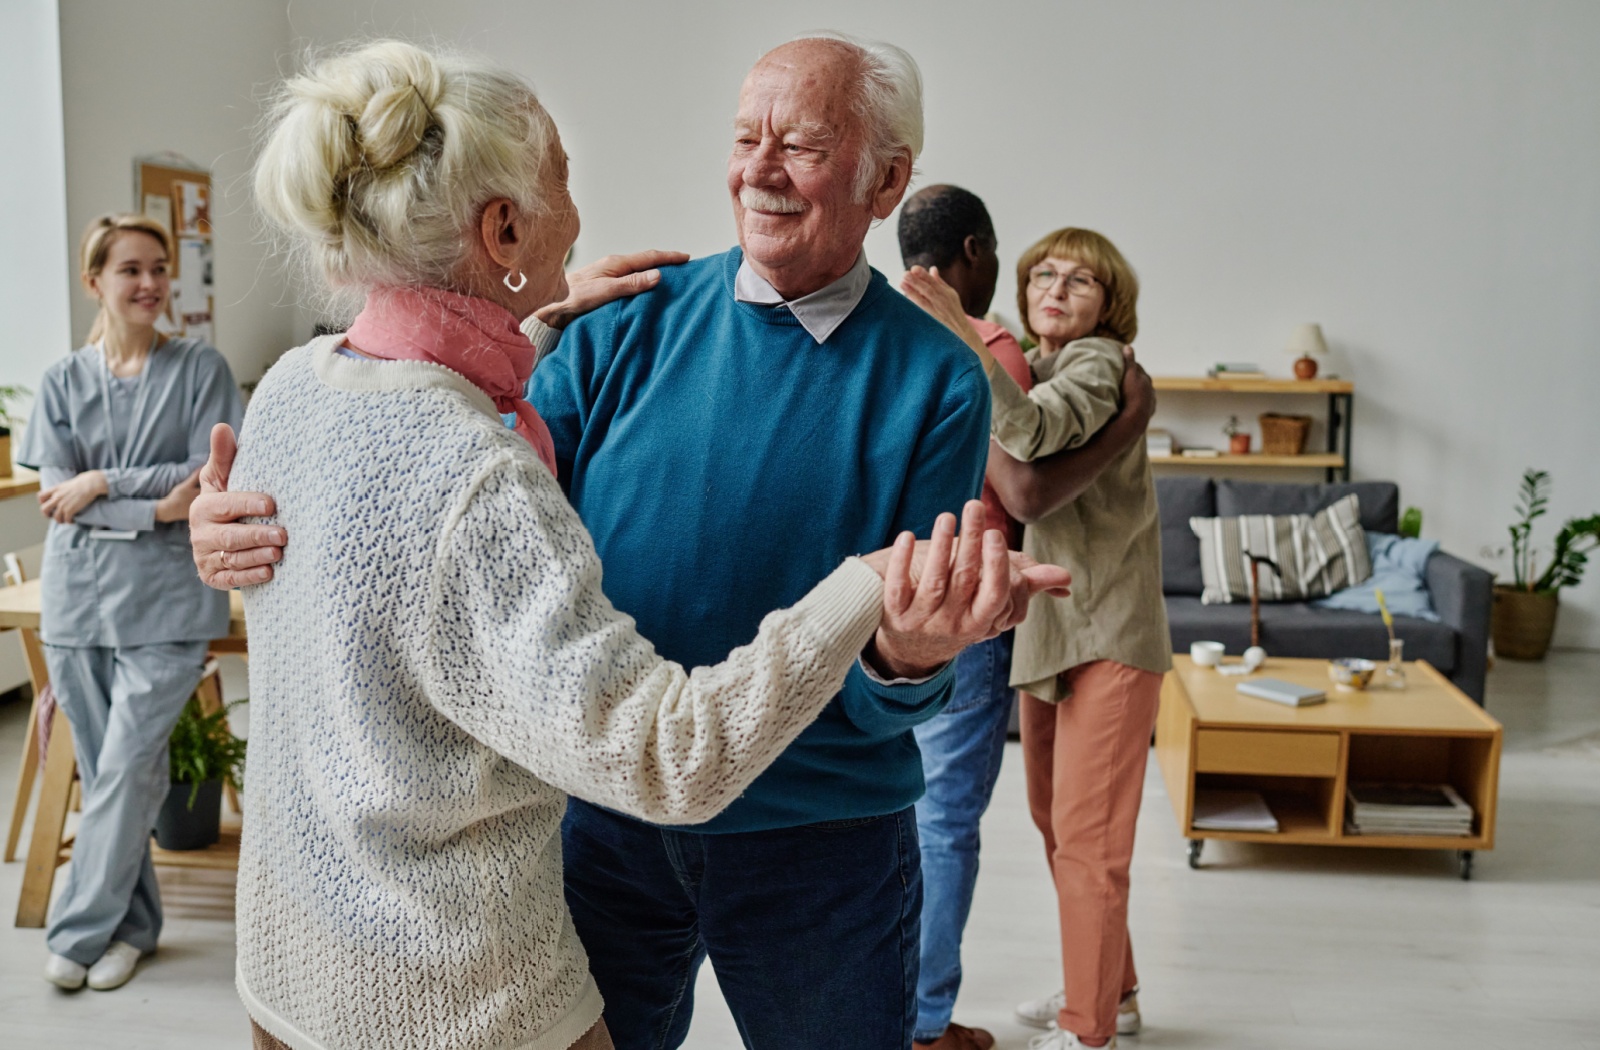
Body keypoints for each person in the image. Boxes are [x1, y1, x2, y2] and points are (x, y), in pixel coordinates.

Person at [193, 40, 1067, 1050]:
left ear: (888, 180)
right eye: (746, 138)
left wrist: (908, 653)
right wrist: (241, 523)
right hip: (602, 823)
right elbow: (463, 491)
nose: (761, 168)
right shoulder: (626, 321)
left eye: (802, 144)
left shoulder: (940, 381)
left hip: (818, 843)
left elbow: (895, 686)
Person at [896, 189, 1154, 1050]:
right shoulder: (1040, 359)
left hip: (1105, 628)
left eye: (1079, 280)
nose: (1054, 287)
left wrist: (969, 338)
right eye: (1043, 271)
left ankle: (1090, 1029)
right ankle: (1110, 992)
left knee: (1088, 836)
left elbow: (1033, 451)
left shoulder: (1095, 363)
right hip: (1056, 633)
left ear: (1108, 302)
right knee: (1059, 823)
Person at [18, 213, 243, 992]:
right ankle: (135, 929)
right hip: (80, 602)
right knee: (120, 773)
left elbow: (202, 479)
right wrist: (154, 507)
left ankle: (76, 938)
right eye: (131, 270)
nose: (150, 284)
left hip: (171, 604)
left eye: (159, 268)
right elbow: (57, 499)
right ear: (96, 282)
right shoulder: (61, 383)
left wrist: (106, 482)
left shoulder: (201, 369)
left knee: (125, 767)